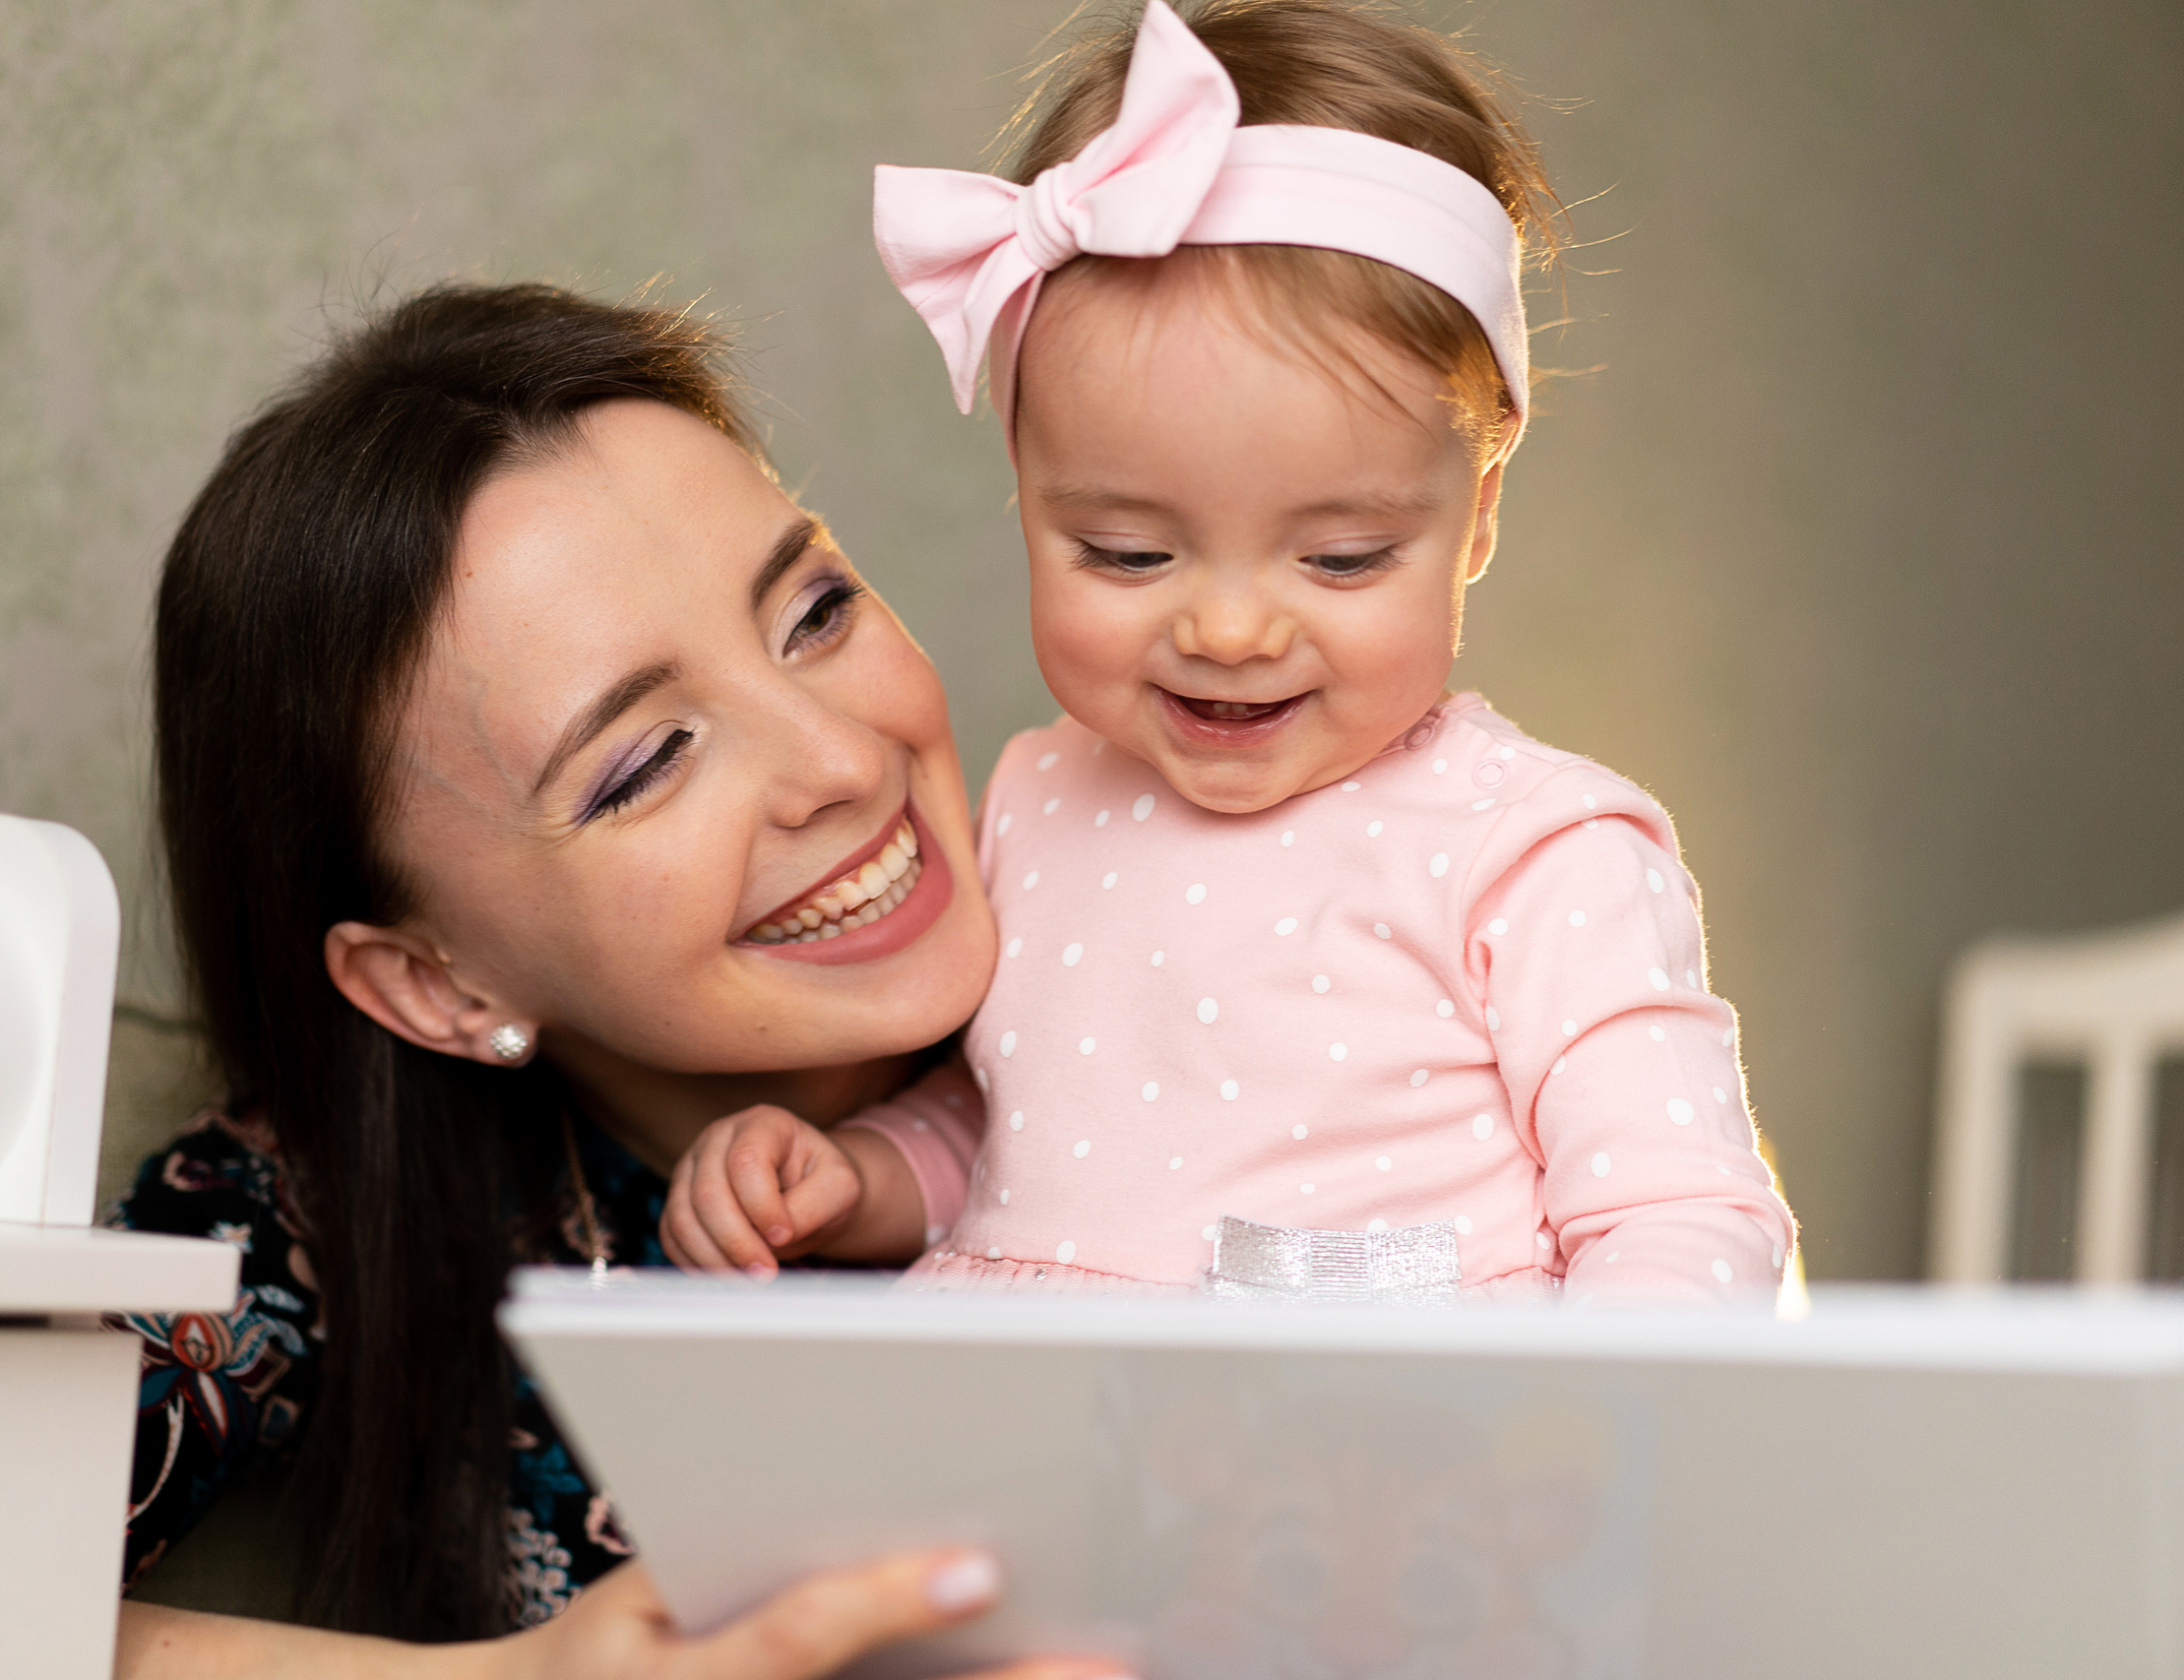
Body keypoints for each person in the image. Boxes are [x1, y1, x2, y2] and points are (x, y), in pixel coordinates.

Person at [665, 0, 1795, 1306]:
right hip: (1037, 1439)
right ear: (1026, 496)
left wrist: (1590, 1442)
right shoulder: (1035, 801)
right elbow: (1017, 1135)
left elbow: (1678, 1212)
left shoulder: (1536, 853)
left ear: (1478, 512)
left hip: (1371, 1447)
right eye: (1128, 555)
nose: (1230, 631)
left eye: (1341, 559)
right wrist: (857, 1178)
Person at [113, 280, 1120, 1680]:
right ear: (433, 985)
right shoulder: (306, 1207)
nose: (839, 762)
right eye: (648, 762)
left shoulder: (1220, 971)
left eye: (817, 611)